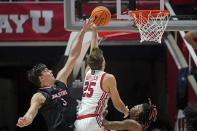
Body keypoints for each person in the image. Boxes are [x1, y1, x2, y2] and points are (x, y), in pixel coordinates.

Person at [16, 18, 94, 131]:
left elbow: (73, 57)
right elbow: (31, 112)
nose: (51, 71)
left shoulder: (60, 81)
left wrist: (83, 32)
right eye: (47, 71)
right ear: (41, 78)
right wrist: (26, 119)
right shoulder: (40, 95)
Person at [74, 24, 130, 131]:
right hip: (93, 121)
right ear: (103, 62)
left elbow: (93, 52)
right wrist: (125, 111)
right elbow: (117, 103)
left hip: (80, 122)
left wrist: (94, 32)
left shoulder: (88, 73)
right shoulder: (108, 78)